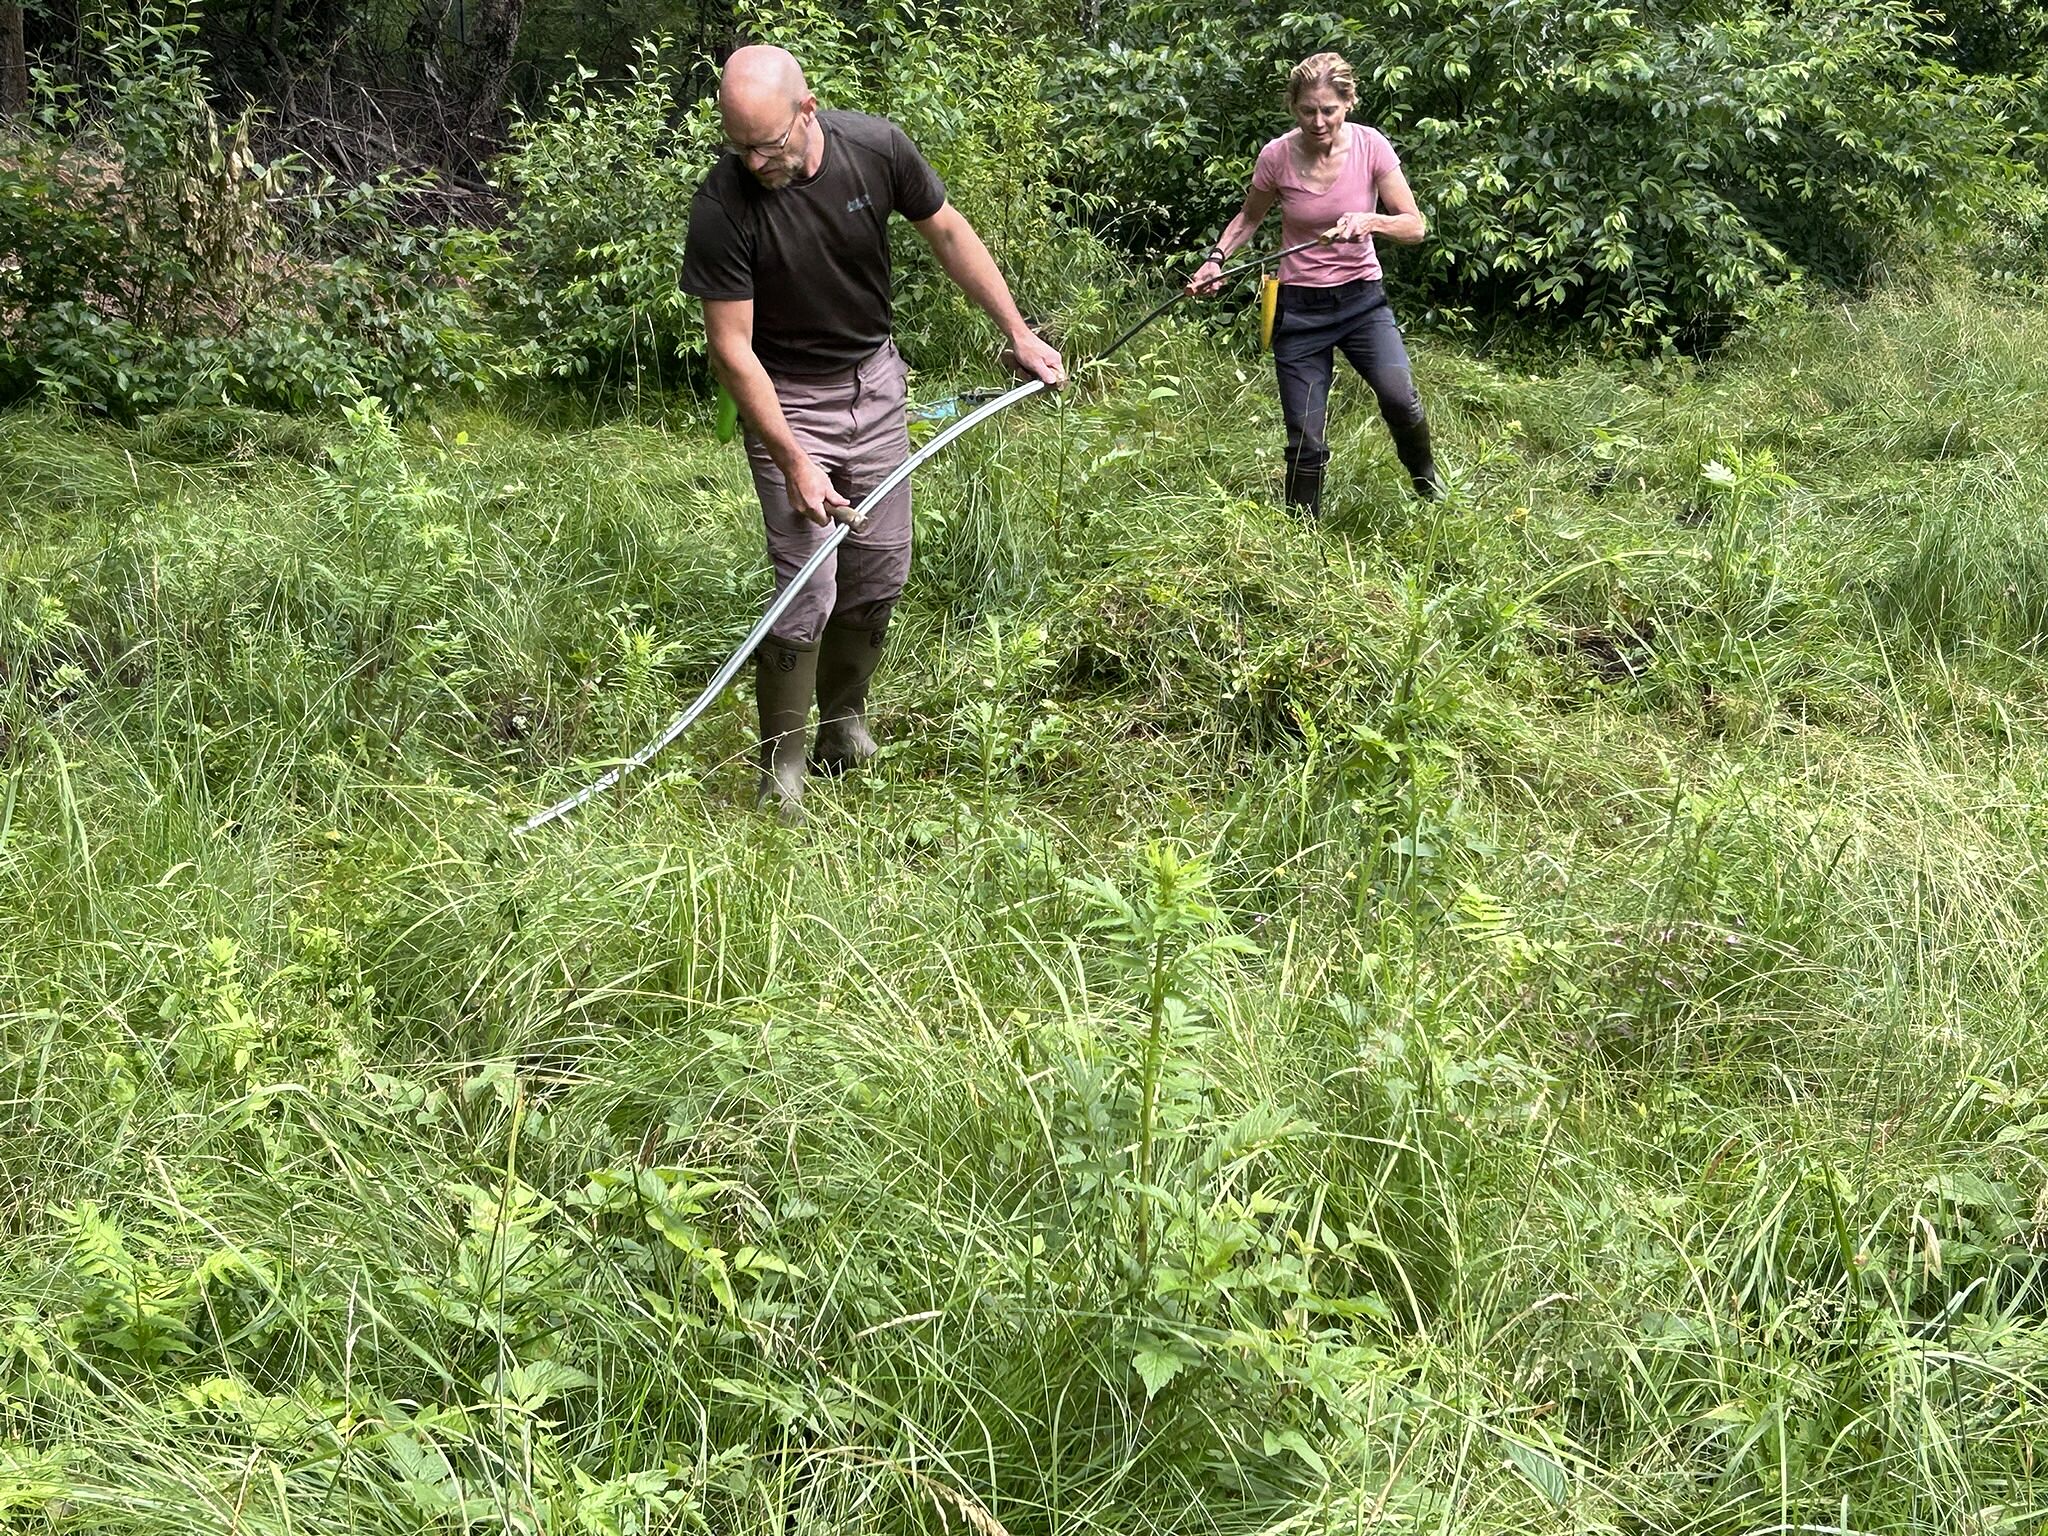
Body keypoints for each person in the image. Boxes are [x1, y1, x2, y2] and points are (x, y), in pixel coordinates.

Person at [681, 45, 1064, 821]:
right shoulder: (723, 205)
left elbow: (949, 232)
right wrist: (793, 459)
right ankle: (780, 772)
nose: (756, 162)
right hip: (787, 400)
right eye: (739, 147)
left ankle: (842, 726)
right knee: (805, 585)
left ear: (808, 110)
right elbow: (732, 349)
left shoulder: (876, 148)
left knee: (880, 569)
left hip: (875, 383)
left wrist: (1018, 333)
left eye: (769, 144)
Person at [1186, 51, 1439, 517]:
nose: (1318, 121)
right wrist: (1215, 260)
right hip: (1299, 309)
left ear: (1347, 104)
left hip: (1362, 301)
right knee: (1305, 435)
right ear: (1293, 107)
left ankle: (1430, 487)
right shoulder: (1277, 156)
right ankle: (1301, 538)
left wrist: (1371, 221)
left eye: (1328, 110)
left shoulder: (1370, 147)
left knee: (1400, 399)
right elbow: (1248, 219)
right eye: (1307, 110)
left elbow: (1414, 226)